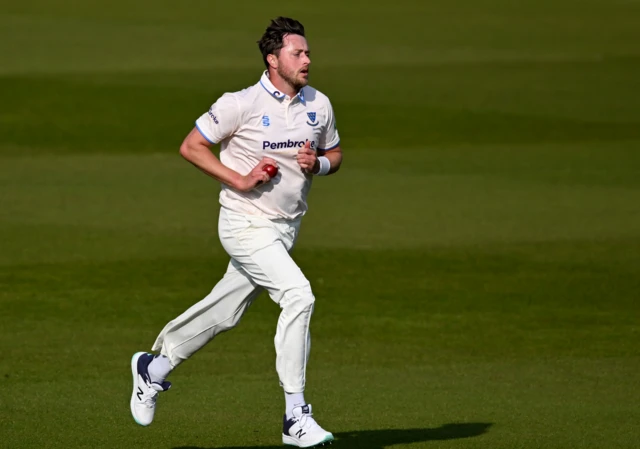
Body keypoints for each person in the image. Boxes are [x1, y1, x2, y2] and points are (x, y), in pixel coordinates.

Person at [129, 16, 342, 448]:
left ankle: (153, 369)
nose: (307, 60)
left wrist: (316, 164)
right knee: (298, 294)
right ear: (272, 60)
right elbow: (191, 146)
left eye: (307, 52)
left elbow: (333, 152)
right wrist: (240, 179)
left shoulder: (319, 104)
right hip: (243, 223)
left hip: (285, 227)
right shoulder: (240, 103)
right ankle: (295, 416)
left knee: (226, 311)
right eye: (297, 53)